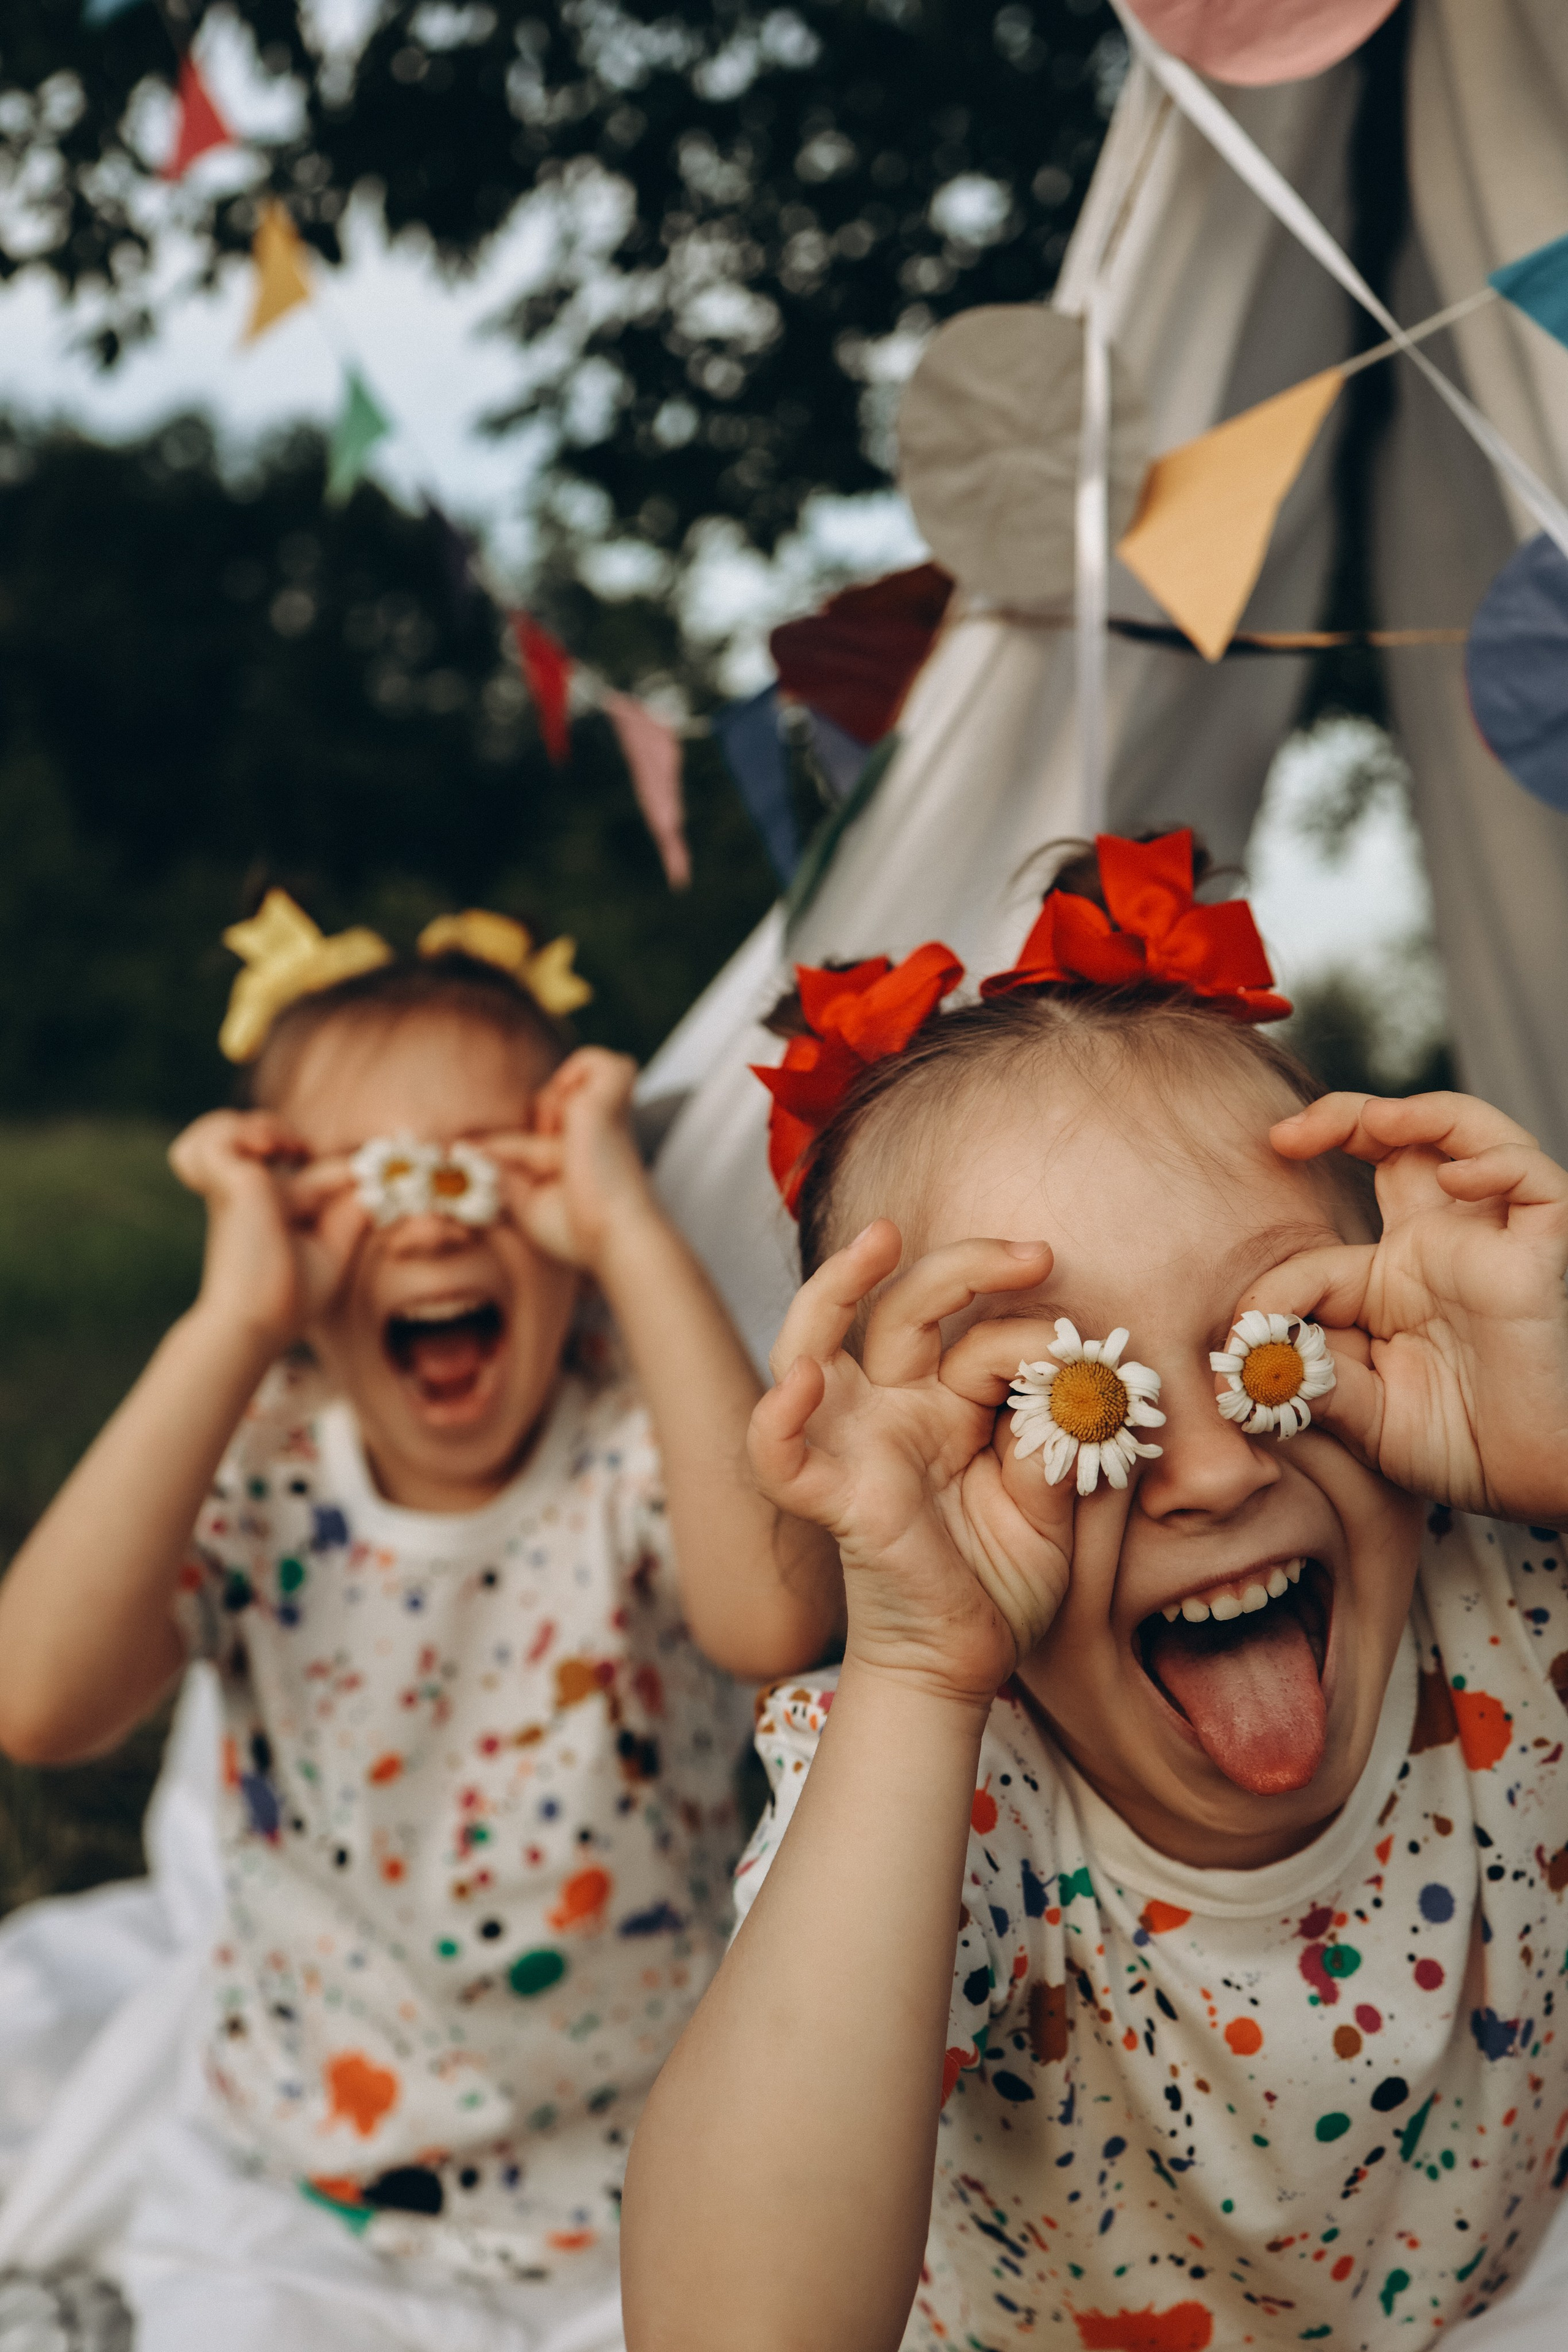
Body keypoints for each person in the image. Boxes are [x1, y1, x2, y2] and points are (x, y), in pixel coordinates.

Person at [620, 830, 1568, 2352]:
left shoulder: (1513, 1606)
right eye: (1062, 1398)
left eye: (1272, 1343)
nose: (1204, 1470)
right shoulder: (950, 1783)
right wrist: (921, 1679)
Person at [0, 894, 841, 2351]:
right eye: (365, 1179)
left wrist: (627, 1226)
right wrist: (229, 1323)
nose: (433, 1210)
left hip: (639, 2178)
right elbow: (35, 1699)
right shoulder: (255, 1459)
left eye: (483, 1164)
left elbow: (776, 1616)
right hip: (299, 2186)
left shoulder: (634, 1448)